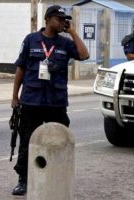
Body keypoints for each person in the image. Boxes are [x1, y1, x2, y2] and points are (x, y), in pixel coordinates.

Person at [11, 5, 89, 195]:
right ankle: (23, 179)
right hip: (32, 100)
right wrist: (15, 96)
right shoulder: (31, 40)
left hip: (56, 102)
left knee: (59, 139)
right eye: (59, 19)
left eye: (64, 20)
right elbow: (21, 68)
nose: (62, 22)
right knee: (28, 141)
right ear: (47, 20)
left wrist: (72, 31)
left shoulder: (65, 43)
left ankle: (59, 175)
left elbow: (84, 55)